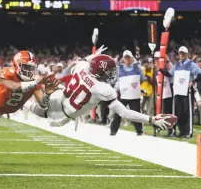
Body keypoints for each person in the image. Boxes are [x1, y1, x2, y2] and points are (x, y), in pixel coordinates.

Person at [24, 46, 171, 131]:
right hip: (63, 115)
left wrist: (95, 55)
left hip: (61, 96)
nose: (113, 74)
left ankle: (25, 101)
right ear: (101, 72)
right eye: (110, 71)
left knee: (42, 106)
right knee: (43, 111)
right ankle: (24, 102)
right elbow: (125, 113)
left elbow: (85, 61)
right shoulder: (102, 88)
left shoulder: (82, 67)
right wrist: (151, 119)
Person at [160, 46, 201, 138]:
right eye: (180, 53)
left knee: (187, 112)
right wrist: (160, 69)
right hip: (178, 92)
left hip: (187, 92)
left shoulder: (191, 64)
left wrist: (193, 82)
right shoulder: (177, 64)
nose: (181, 55)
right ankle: (182, 131)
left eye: (183, 53)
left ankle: (188, 132)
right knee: (179, 113)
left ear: (187, 54)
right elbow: (169, 74)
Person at [111, 50, 144, 135]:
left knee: (136, 113)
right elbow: (117, 80)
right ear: (123, 59)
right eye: (125, 58)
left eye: (128, 57)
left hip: (134, 95)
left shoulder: (137, 68)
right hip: (123, 95)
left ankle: (139, 131)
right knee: (118, 113)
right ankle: (113, 131)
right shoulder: (120, 68)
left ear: (131, 58)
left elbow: (142, 79)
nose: (127, 59)